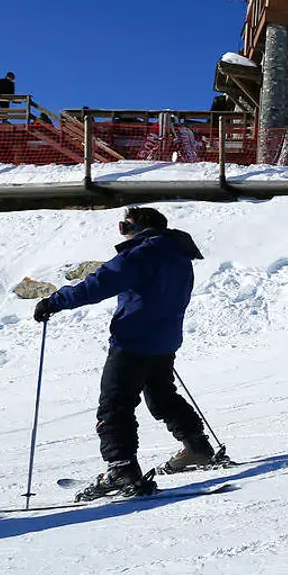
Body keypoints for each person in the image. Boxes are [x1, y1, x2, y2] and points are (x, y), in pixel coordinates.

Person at [32, 206, 215, 499]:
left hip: (134, 340)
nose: (122, 232)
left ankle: (121, 469)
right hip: (164, 338)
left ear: (141, 227)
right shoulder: (178, 254)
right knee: (162, 396)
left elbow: (99, 284)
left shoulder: (141, 254)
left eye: (123, 225)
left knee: (115, 404)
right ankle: (197, 447)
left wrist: (55, 302)